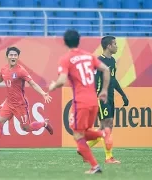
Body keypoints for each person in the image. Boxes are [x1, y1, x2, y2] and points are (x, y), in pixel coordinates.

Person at [48, 29, 112, 174]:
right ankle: (103, 134)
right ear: (79, 40)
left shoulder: (66, 59)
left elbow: (62, 80)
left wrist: (53, 86)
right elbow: (106, 69)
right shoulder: (89, 56)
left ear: (64, 42)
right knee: (83, 133)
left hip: (80, 102)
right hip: (93, 101)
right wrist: (104, 91)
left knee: (78, 135)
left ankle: (96, 163)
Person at [0, 46, 54, 154]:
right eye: (11, 55)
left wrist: (43, 93)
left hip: (20, 105)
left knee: (26, 128)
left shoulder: (21, 71)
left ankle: (44, 124)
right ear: (7, 57)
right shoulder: (4, 69)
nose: (13, 57)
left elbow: (32, 83)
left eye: (15, 55)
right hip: (9, 103)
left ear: (18, 57)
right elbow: (1, 78)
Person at [86, 36, 129, 164]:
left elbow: (113, 80)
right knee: (107, 127)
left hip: (110, 98)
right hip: (101, 98)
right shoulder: (99, 61)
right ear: (109, 46)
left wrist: (122, 94)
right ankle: (108, 157)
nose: (117, 46)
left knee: (105, 128)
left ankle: (84, 147)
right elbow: (94, 81)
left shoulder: (113, 61)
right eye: (115, 44)